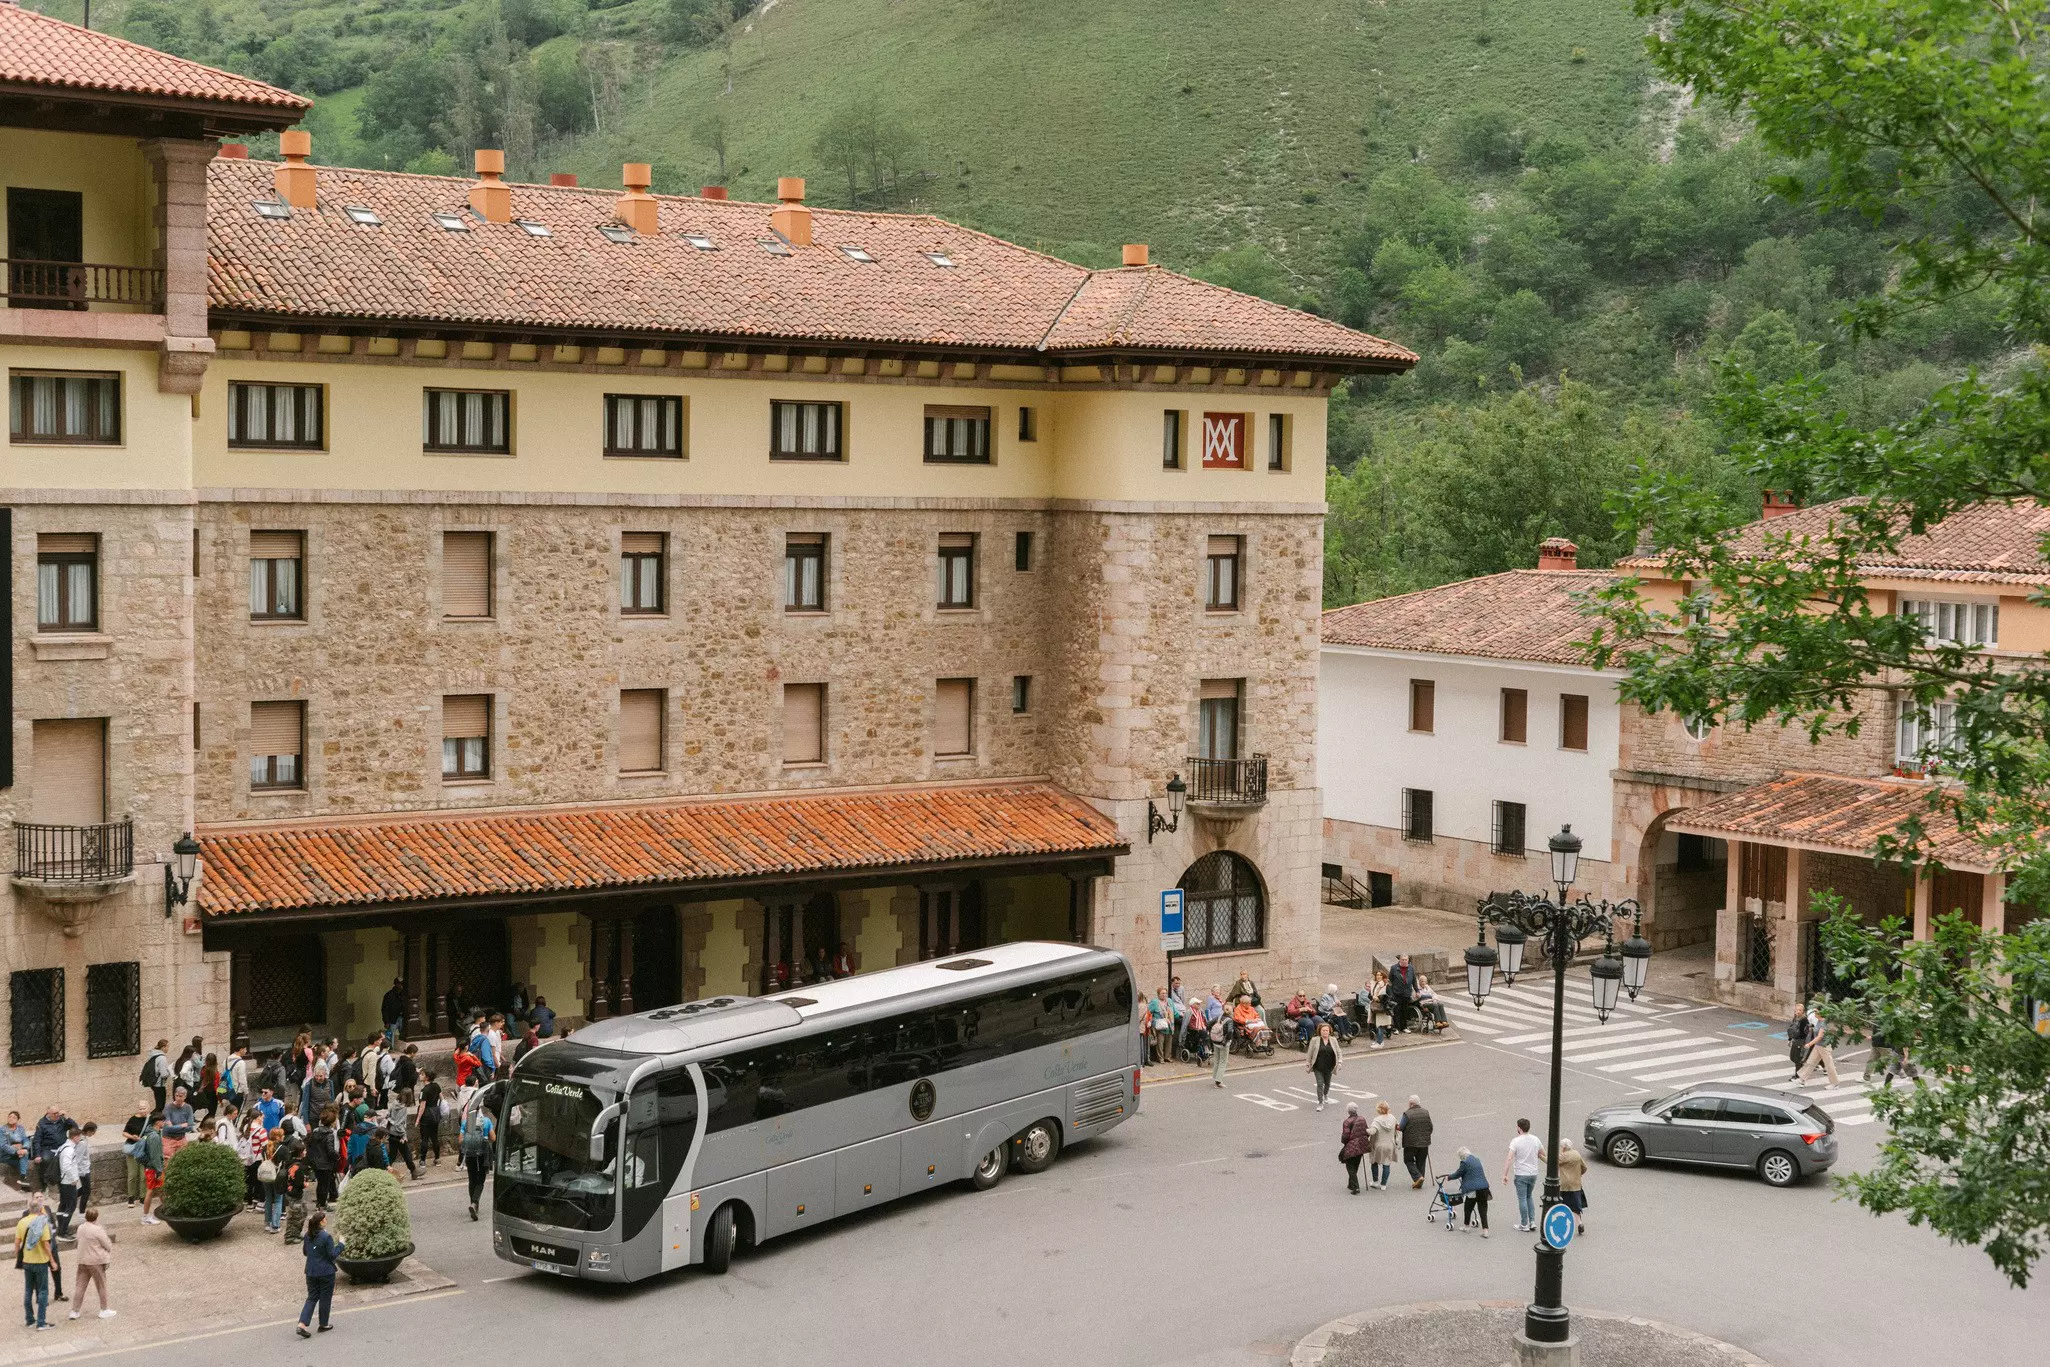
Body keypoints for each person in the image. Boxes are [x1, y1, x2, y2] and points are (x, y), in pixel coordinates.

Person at [296, 1209, 344, 1338]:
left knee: (312, 1297)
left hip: (311, 1271)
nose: (326, 1221)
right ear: (321, 1222)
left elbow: (306, 1252)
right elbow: (332, 1255)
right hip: (325, 1272)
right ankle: (323, 1324)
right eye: (325, 1219)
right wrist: (341, 1245)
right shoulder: (326, 1237)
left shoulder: (307, 1235)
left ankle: (302, 1324)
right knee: (325, 1298)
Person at [16, 1192, 54, 1330]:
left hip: (27, 1261)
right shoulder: (42, 1223)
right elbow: (46, 1245)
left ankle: (30, 1319)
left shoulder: (22, 1222)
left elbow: (17, 1242)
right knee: (43, 1291)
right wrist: (52, 1261)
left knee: (28, 1290)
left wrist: (18, 1254)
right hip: (40, 1261)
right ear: (39, 1209)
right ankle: (41, 1322)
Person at [69, 1207, 113, 1321]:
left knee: (80, 1286)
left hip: (83, 1260)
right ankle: (104, 1309)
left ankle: (75, 1310)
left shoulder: (81, 1228)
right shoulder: (98, 1230)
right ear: (96, 1218)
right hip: (96, 1261)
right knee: (101, 1285)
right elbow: (107, 1245)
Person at [1505, 1118, 1542, 1232]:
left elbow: (1509, 1158)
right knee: (1529, 1196)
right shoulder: (1535, 1140)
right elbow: (1542, 1154)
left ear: (1519, 1128)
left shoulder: (1515, 1141)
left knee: (1522, 1198)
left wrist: (1504, 1174)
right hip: (1533, 1173)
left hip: (1521, 1173)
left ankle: (1524, 1224)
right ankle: (1532, 1221)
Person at [461, 1104, 495, 1221]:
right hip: (482, 1154)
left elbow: (460, 1140)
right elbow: (493, 1138)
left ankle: (473, 1203)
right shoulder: (486, 1121)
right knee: (480, 1180)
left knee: (472, 1179)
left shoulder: (467, 1123)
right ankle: (475, 1203)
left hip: (470, 1155)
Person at [1546, 1137, 1588, 1234]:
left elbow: (1551, 1163)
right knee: (1576, 1206)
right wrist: (1579, 1174)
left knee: (1563, 1205)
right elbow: (1584, 1167)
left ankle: (1563, 1224)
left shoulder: (1563, 1156)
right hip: (1576, 1184)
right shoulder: (1576, 1154)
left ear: (1564, 1147)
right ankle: (1579, 1223)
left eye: (1561, 1147)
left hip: (1565, 1185)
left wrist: (1541, 1155)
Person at [1796, 1000, 1841, 1086]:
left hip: (1823, 1046)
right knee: (1810, 1062)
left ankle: (1835, 1084)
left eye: (1816, 1011)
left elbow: (1820, 1036)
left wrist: (1809, 1044)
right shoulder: (1819, 1021)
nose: (1814, 1013)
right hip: (1818, 1046)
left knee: (1829, 1065)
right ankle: (1802, 1079)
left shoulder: (1824, 1023)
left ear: (1821, 1013)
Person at [29, 1106, 71, 1194]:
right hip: (48, 1148)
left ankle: (64, 1182)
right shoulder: (42, 1123)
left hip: (62, 1148)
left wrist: (67, 1117)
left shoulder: (62, 1120)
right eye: (54, 1113)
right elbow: (37, 1140)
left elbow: (75, 1128)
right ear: (49, 1114)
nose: (57, 1115)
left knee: (68, 1159)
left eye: (57, 1113)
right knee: (45, 1159)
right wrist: (37, 1155)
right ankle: (45, 1182)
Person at [1454, 1145, 1491, 1236]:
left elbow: (1458, 1174)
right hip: (1484, 1188)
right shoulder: (1477, 1159)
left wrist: (1449, 1177)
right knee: (1482, 1209)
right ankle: (1485, 1230)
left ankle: (1466, 1226)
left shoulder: (1464, 1162)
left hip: (1473, 1190)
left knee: (1468, 1207)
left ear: (1462, 1156)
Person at [1305, 1022, 1342, 1111]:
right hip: (1318, 1066)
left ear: (1329, 1031)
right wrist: (1307, 1063)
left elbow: (1338, 1051)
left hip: (1329, 1066)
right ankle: (1320, 1102)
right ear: (1320, 1031)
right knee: (1320, 1084)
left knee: (1327, 1084)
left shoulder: (1333, 1040)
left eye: (1327, 1030)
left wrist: (1340, 1062)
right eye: (1323, 1030)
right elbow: (1310, 1052)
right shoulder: (1315, 1040)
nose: (1325, 1032)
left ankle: (1325, 1094)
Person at [308, 1108, 340, 1210]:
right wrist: (337, 1156)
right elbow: (330, 1150)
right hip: (326, 1163)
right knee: (325, 1185)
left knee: (320, 1184)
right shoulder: (329, 1134)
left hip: (316, 1162)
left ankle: (320, 1203)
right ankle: (322, 1205)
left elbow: (310, 1146)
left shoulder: (315, 1132)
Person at [1398, 1095, 1433, 1188]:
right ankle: (1419, 1181)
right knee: (1421, 1161)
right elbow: (1430, 1127)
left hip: (1411, 1143)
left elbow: (1401, 1127)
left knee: (1408, 1160)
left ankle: (1418, 1177)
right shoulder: (1426, 1112)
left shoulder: (1407, 1114)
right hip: (1424, 1142)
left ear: (1411, 1103)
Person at [55, 1126, 84, 1236]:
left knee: (63, 1205)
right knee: (70, 1206)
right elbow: (66, 1166)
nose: (80, 1139)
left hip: (64, 1181)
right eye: (79, 1137)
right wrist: (73, 1179)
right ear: (75, 1137)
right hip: (68, 1182)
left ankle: (60, 1229)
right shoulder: (69, 1149)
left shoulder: (63, 1147)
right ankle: (63, 1232)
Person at [139, 1115, 166, 1225]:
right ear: (158, 1122)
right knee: (150, 1191)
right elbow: (155, 1155)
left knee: (161, 1189)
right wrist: (159, 1170)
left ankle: (168, 1209)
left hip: (151, 1167)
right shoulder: (154, 1136)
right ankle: (145, 1217)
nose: (164, 1123)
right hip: (153, 1168)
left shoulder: (150, 1133)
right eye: (163, 1121)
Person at [1339, 1102, 1371, 1194]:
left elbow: (1345, 1136)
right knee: (1355, 1164)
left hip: (1352, 1145)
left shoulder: (1347, 1122)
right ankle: (1351, 1184)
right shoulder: (1362, 1119)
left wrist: (1344, 1142)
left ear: (1348, 1111)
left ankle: (1355, 1187)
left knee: (1350, 1166)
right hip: (1361, 1145)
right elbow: (1366, 1131)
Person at [1367, 1100, 1399, 1191]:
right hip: (1390, 1144)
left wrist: (1364, 1130)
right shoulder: (1392, 1118)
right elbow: (1397, 1127)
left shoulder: (1377, 1121)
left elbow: (1372, 1131)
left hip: (1378, 1145)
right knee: (1386, 1163)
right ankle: (1383, 1184)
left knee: (1374, 1162)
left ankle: (1375, 1181)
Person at [386, 1098, 419, 1180]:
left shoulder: (394, 1103)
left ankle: (383, 1170)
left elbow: (388, 1116)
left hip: (391, 1132)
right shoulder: (403, 1108)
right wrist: (403, 1135)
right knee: (406, 1154)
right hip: (399, 1135)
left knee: (392, 1155)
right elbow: (399, 1124)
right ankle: (414, 1172)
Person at [120, 1108, 147, 1206]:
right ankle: (131, 1198)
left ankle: (142, 1198)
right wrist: (132, 1137)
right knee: (132, 1175)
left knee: (143, 1176)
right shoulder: (133, 1119)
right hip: (133, 1150)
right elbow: (124, 1133)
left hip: (144, 1151)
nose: (142, 1110)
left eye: (144, 1108)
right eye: (140, 1108)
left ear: (148, 1109)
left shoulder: (150, 1120)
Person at [1387, 954, 1419, 1034]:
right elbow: (1390, 981)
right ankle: (1396, 1028)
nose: (1404, 961)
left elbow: (1414, 980)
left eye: (1406, 960)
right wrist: (1391, 993)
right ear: (1400, 960)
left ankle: (1404, 1027)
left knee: (1405, 1011)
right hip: (1396, 993)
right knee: (1397, 1011)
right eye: (1403, 960)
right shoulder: (1394, 968)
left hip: (1407, 993)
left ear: (1408, 960)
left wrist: (1417, 991)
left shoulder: (1411, 968)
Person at [417, 1072, 444, 1164]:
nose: (420, 1075)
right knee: (434, 1137)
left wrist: (417, 1119)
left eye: (422, 1074)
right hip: (435, 1113)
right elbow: (442, 1098)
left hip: (426, 1115)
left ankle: (423, 1160)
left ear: (427, 1077)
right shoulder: (436, 1085)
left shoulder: (424, 1090)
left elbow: (422, 1106)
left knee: (425, 1138)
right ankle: (437, 1159)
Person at [140, 1040, 172, 1116]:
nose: (168, 1048)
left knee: (159, 1105)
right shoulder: (162, 1058)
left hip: (153, 1083)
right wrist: (170, 1071)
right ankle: (150, 1120)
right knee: (160, 1106)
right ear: (163, 1047)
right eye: (167, 1046)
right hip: (159, 1084)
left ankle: (152, 1120)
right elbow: (164, 1074)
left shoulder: (153, 1055)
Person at [0, 1111, 28, 1188]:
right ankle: (23, 1178)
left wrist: (24, 1148)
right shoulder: (2, 1129)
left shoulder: (20, 1128)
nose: (11, 1118)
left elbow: (25, 1139)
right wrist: (16, 1151)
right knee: (23, 1158)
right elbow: (3, 1145)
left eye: (14, 1117)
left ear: (17, 1119)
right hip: (6, 1155)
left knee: (25, 1154)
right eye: (10, 1117)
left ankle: (23, 1179)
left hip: (19, 1153)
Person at [1207, 1007, 1229, 1087]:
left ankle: (1215, 1077)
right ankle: (1218, 1081)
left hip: (1215, 1041)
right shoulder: (1229, 1020)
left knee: (1217, 1060)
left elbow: (1208, 1024)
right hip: (1223, 1043)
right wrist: (1226, 1041)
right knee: (1223, 1061)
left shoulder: (1218, 1018)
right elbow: (1229, 1032)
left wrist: (1211, 1034)